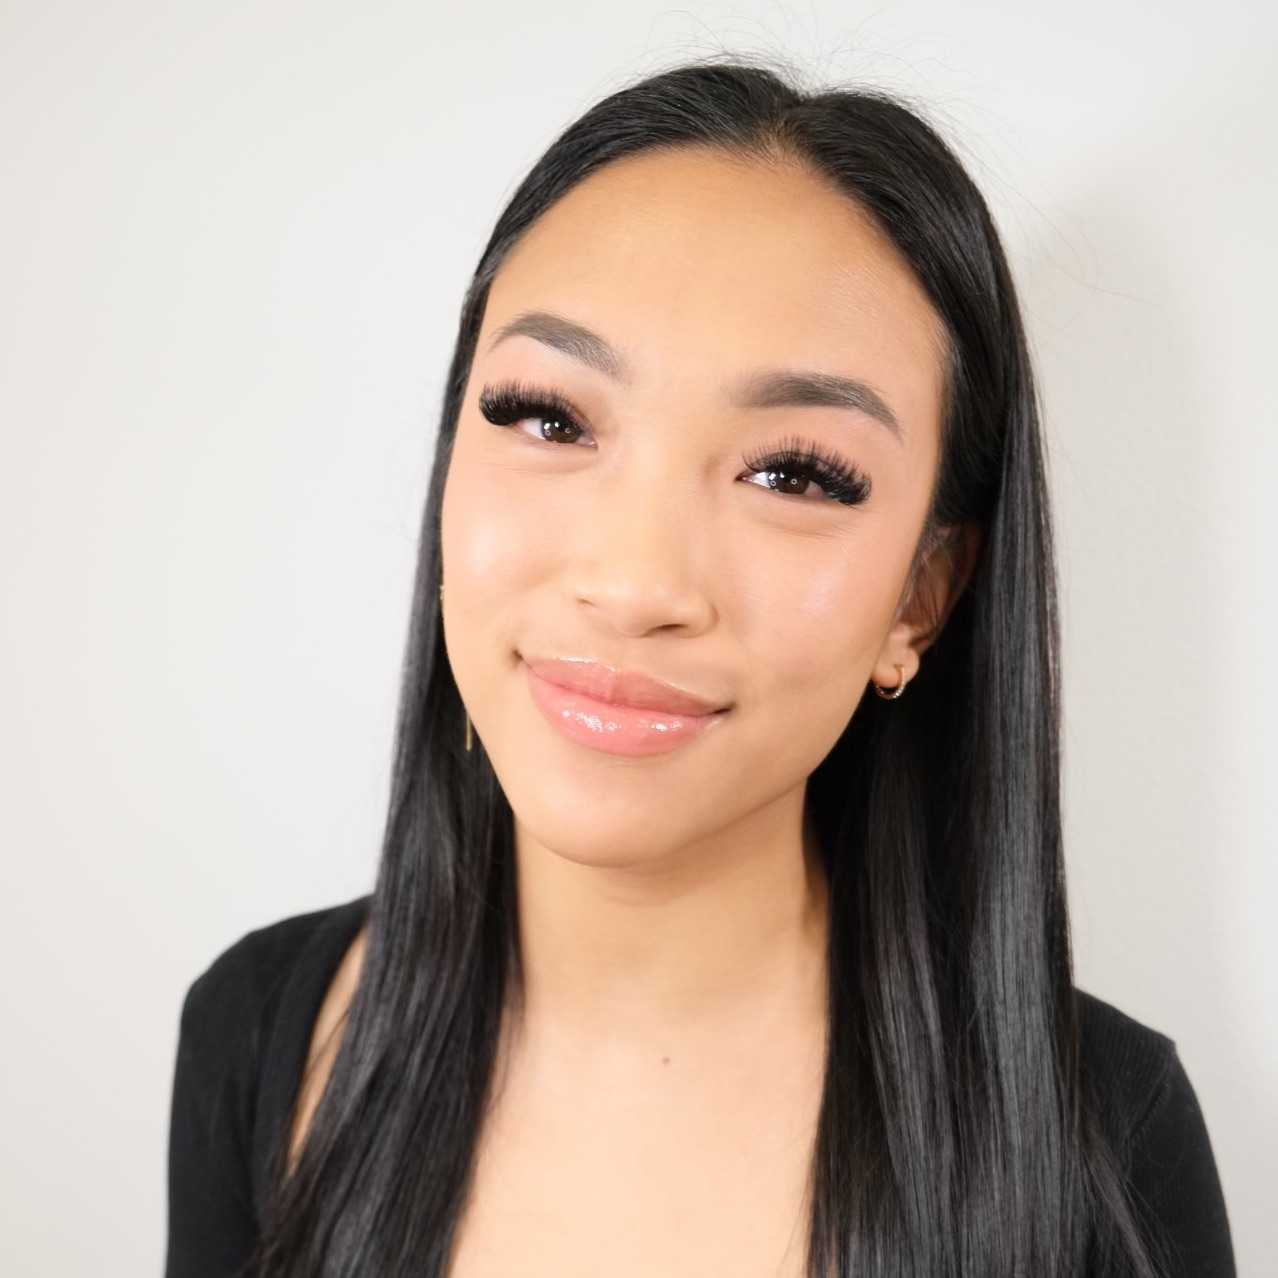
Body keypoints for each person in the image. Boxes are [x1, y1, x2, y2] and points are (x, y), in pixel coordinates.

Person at [165, 54, 1236, 1278]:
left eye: (794, 474)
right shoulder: (263, 1034)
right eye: (549, 417)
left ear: (922, 597)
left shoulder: (1104, 1141)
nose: (635, 584)